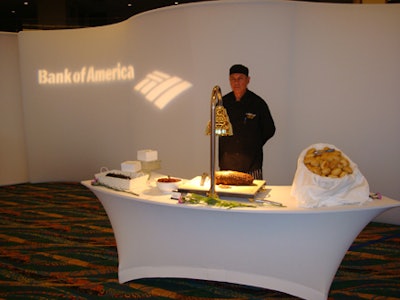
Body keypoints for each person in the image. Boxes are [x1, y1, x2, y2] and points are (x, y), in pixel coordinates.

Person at [219, 64, 275, 180]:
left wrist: (253, 143)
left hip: (251, 163)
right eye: (233, 79)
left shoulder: (258, 103)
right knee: (227, 196)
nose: (236, 82)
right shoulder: (222, 102)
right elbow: (217, 127)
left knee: (253, 195)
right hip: (227, 163)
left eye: (240, 79)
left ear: (248, 80)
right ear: (229, 81)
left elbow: (270, 129)